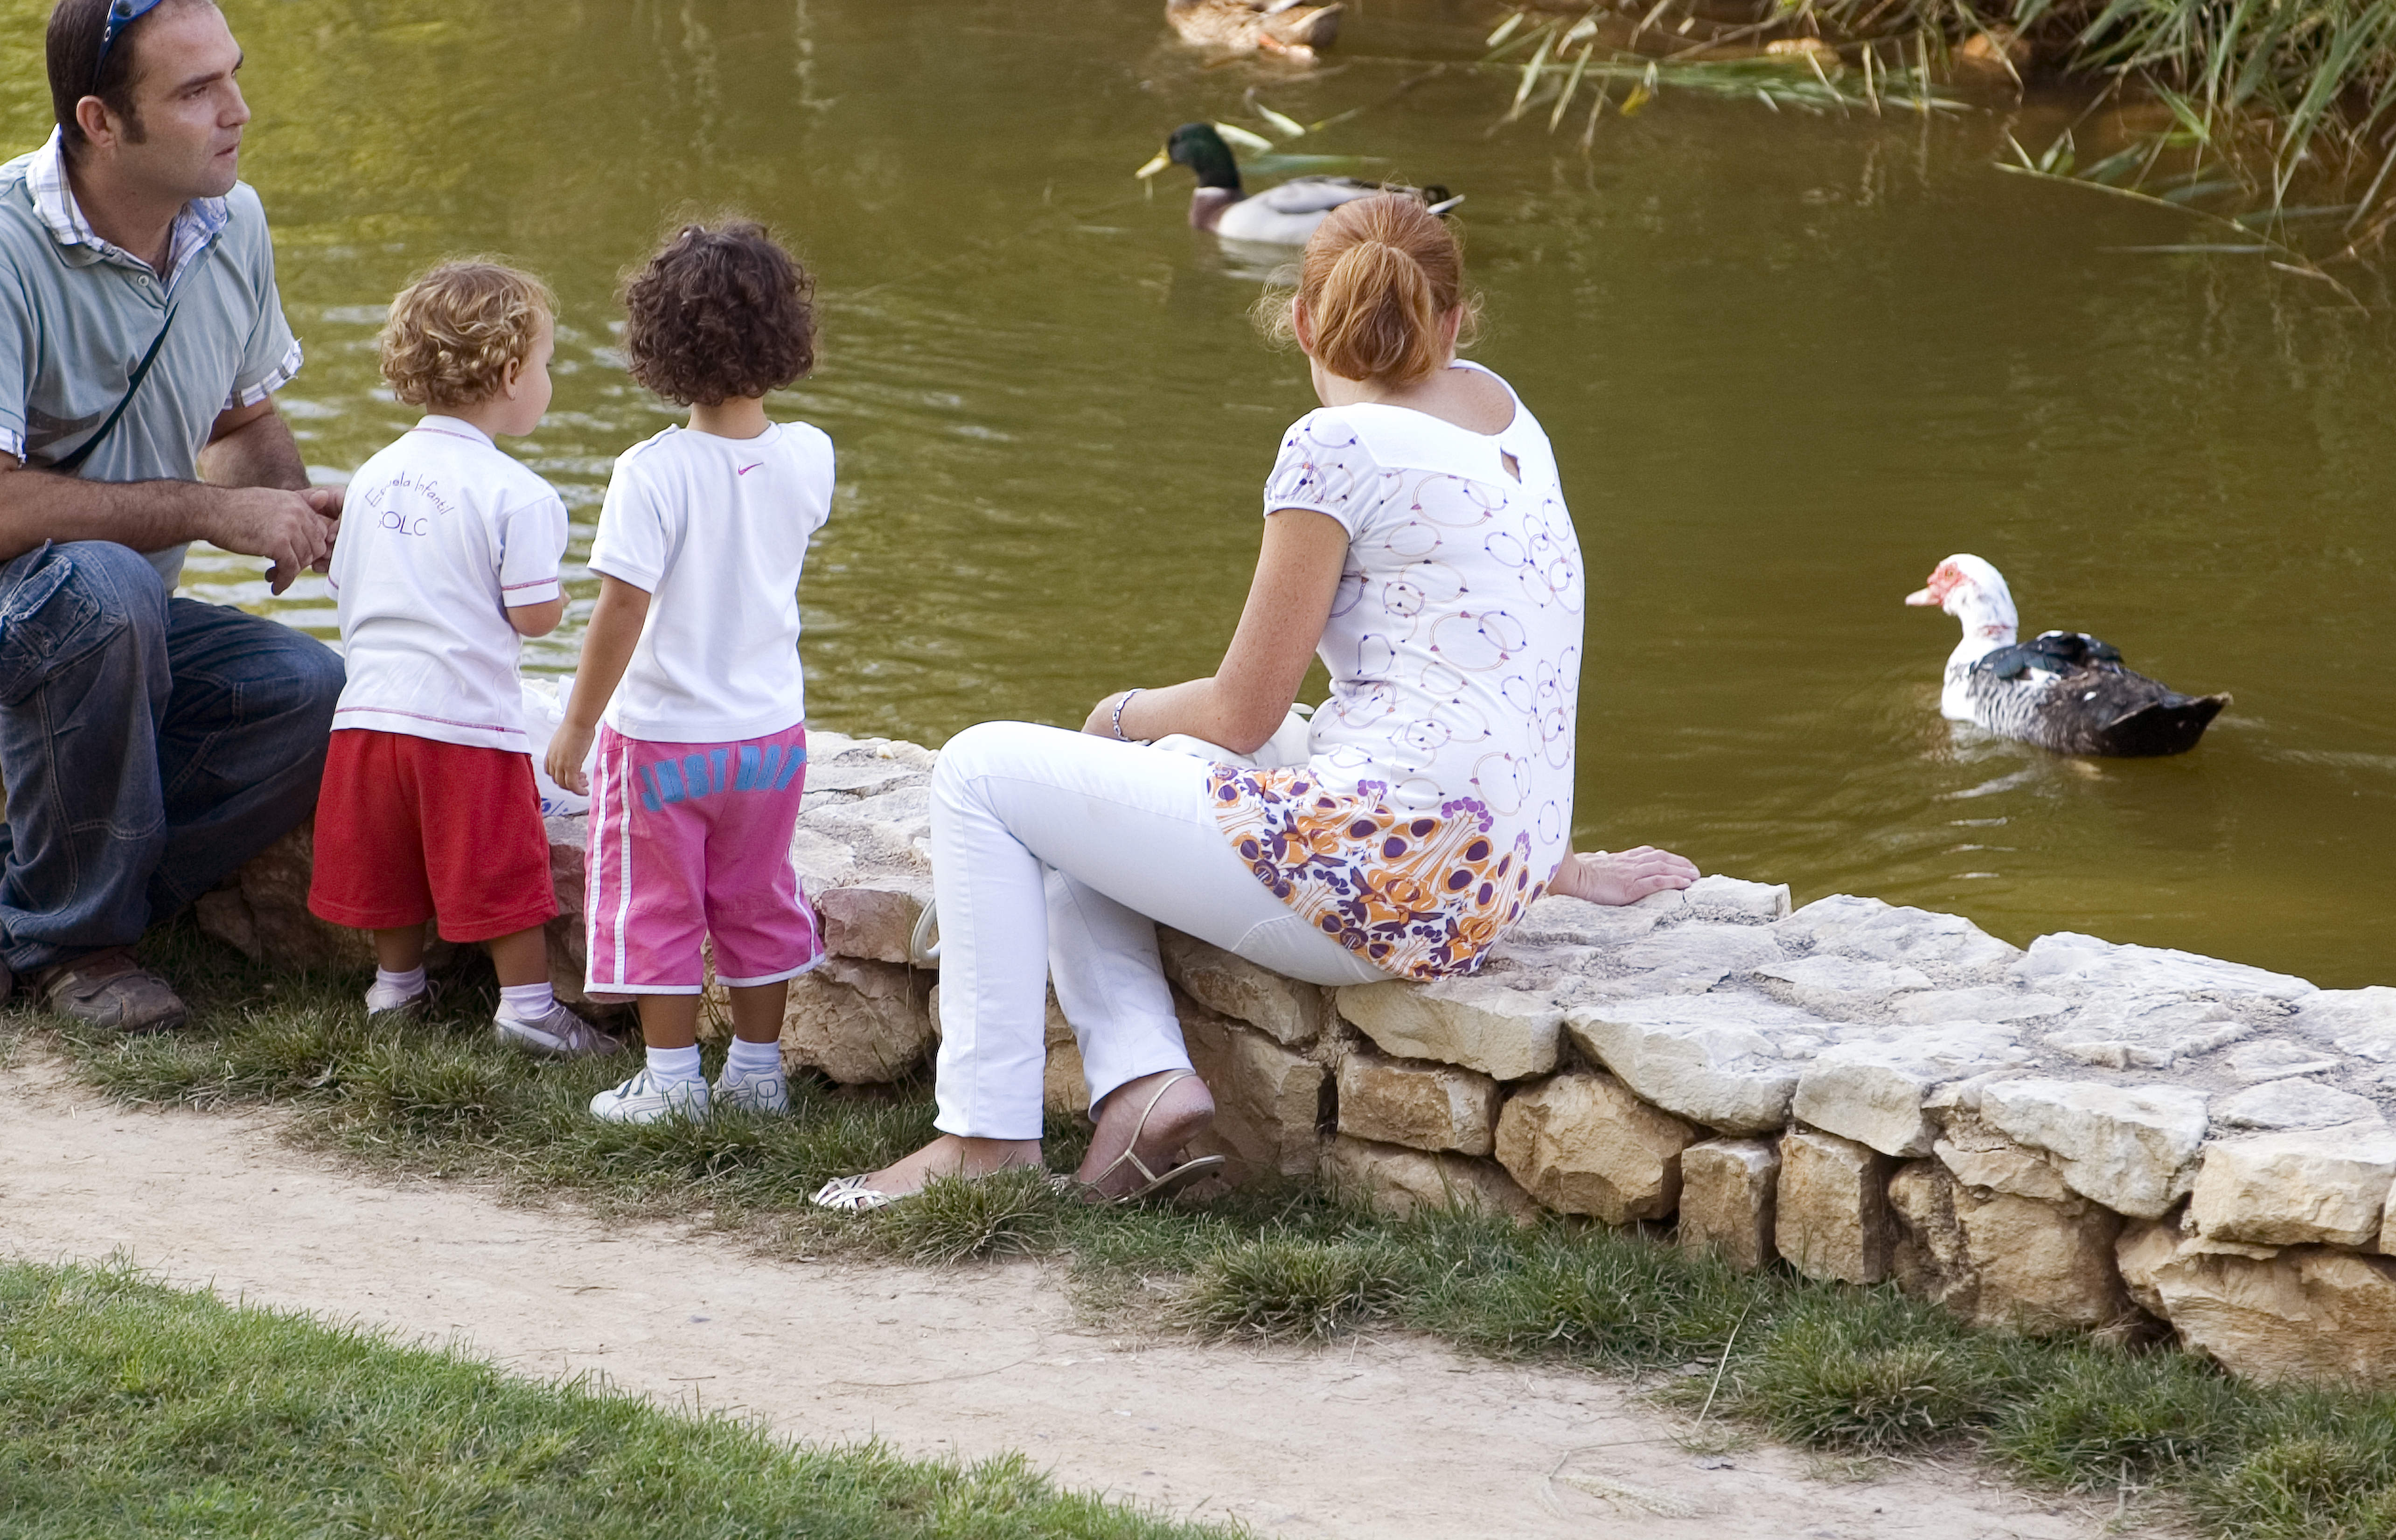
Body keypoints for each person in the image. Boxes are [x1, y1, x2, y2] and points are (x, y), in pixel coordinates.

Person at [812, 194, 1697, 1210]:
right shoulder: (1501, 410)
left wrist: (1118, 712)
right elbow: (1482, 697)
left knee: (983, 771)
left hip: (1386, 886)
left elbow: (1239, 708)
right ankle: (1147, 1089)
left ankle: (982, 1139)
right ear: (1457, 323)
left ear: (1304, 321)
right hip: (1485, 880)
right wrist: (1563, 862)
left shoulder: (1335, 446)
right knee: (1126, 792)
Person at [0, 0, 346, 1034]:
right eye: (197, 91)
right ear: (102, 121)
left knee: (307, 690)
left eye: (233, 77)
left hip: (105, 629)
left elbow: (239, 425)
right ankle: (80, 945)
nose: (238, 111)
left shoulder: (228, 223)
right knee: (102, 587)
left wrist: (295, 509)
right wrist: (210, 514)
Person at [543, 221, 832, 1125]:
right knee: (756, 900)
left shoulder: (650, 472)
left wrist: (579, 723)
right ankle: (756, 1075)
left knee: (659, 907)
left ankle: (671, 1085)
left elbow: (622, 610)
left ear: (657, 343)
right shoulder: (810, 454)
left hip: (666, 741)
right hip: (770, 740)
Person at [303, 258, 619, 1054]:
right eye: (547, 364)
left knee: (393, 861)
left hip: (369, 715)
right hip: (465, 725)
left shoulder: (373, 476)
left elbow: (349, 578)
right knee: (499, 867)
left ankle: (396, 987)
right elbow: (534, 615)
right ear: (512, 373)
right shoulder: (520, 492)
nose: (548, 378)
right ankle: (526, 1004)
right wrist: (563, 603)